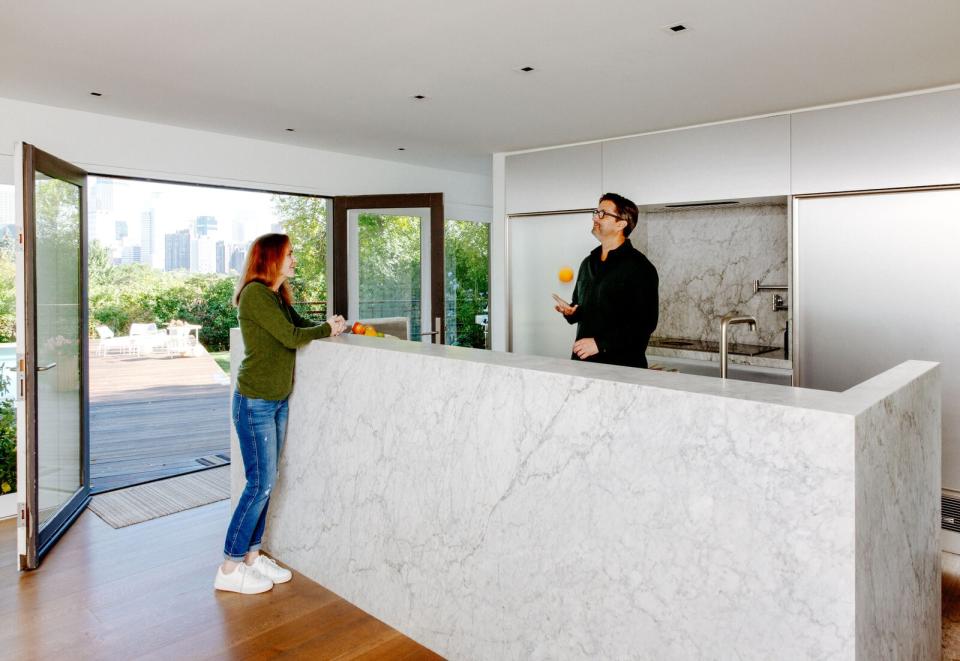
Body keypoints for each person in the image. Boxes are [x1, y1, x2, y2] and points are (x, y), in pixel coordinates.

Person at [215, 233, 347, 594]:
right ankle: (229, 566)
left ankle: (252, 557)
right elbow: (290, 337)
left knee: (267, 480)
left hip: (274, 400)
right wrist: (325, 329)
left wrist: (330, 327)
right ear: (271, 258)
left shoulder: (275, 296)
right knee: (259, 483)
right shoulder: (255, 295)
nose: (294, 260)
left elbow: (299, 324)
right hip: (255, 402)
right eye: (289, 254)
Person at [555, 193, 659, 368]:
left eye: (603, 213)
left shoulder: (640, 268)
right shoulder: (587, 263)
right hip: (584, 366)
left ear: (621, 224)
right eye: (596, 212)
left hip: (623, 369)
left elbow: (644, 324)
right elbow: (586, 309)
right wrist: (572, 312)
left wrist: (599, 344)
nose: (596, 217)